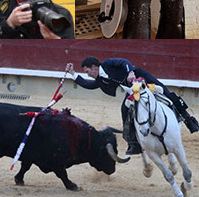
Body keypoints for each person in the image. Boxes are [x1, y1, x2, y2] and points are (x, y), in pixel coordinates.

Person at [66, 56, 199, 154]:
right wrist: (73, 74)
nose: (88, 74)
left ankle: (188, 120)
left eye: (87, 71)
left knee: (166, 94)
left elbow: (124, 62)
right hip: (132, 90)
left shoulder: (107, 64)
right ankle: (133, 143)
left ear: (94, 67)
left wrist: (130, 72)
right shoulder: (101, 79)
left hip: (142, 78)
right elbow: (88, 85)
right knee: (125, 109)